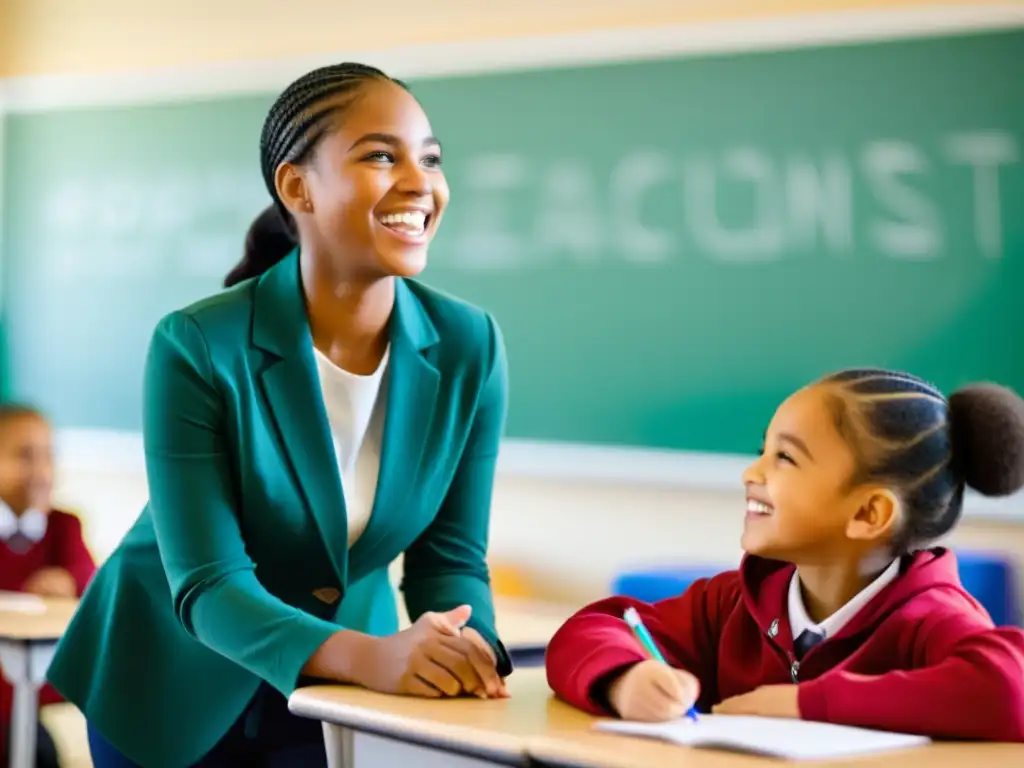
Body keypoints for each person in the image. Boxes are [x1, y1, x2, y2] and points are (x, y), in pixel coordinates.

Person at [46, 62, 512, 768]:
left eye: (431, 159)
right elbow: (208, 582)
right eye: (382, 155)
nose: (420, 183)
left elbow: (449, 561)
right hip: (172, 685)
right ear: (298, 187)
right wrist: (373, 659)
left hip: (341, 691)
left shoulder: (469, 345)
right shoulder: (197, 344)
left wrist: (470, 653)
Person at [546, 369, 1024, 742]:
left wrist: (806, 703)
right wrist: (625, 679)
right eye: (762, 450)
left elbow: (1011, 691)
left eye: (785, 458)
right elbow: (589, 629)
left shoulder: (932, 618)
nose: (750, 472)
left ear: (868, 513)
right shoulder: (735, 602)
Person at [0, 403, 95, 768]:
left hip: (32, 691)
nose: (40, 470)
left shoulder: (62, 526)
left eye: (48, 455)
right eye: (24, 456)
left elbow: (90, 577)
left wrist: (69, 579)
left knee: (38, 752)